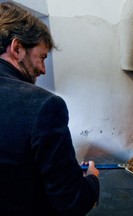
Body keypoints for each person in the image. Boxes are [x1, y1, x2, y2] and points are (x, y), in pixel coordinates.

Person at [0, 2, 100, 216]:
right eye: (42, 57)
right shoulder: (45, 106)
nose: (43, 70)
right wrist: (92, 178)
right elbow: (72, 203)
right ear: (17, 48)